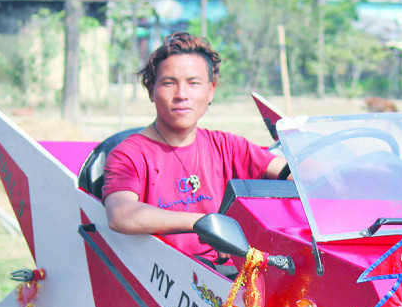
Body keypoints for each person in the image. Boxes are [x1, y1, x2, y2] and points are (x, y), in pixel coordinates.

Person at [102, 32, 286, 257]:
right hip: (164, 278)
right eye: (169, 83)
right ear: (151, 90)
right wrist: (204, 223)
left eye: (193, 83)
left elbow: (288, 172)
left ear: (210, 91)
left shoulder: (226, 146)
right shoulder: (128, 155)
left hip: (228, 275)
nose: (181, 95)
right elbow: (121, 213)